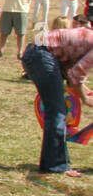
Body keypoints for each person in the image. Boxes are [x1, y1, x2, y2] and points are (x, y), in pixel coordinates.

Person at [21, 23, 93, 176]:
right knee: (57, 112)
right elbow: (76, 73)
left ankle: (58, 163)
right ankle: (55, 166)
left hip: (40, 52)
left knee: (59, 111)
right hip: (41, 54)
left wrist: (86, 92)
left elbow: (72, 73)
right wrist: (85, 99)